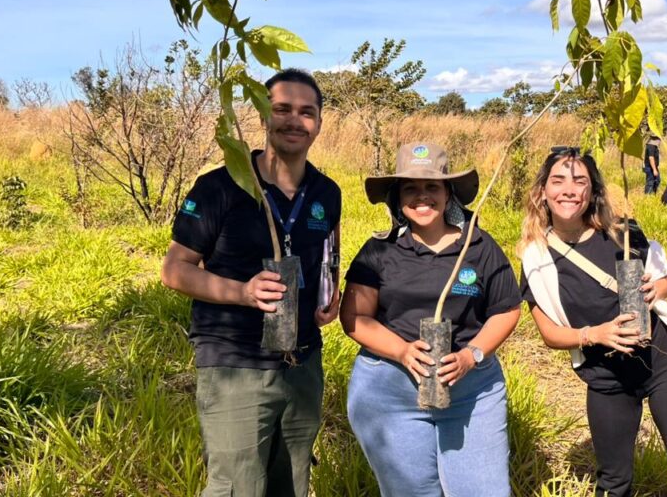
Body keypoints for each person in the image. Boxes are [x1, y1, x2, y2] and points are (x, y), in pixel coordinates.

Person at [161, 68, 341, 497]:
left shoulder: (326, 192)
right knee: (237, 485)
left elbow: (329, 255)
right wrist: (242, 292)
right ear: (262, 114)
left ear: (318, 122)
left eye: (306, 111)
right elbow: (175, 270)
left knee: (293, 481)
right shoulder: (220, 186)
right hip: (235, 362)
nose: (294, 120)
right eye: (282, 109)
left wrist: (327, 297)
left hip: (302, 363)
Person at [518, 147, 667, 497]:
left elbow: (666, 278)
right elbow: (549, 333)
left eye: (579, 181)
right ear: (542, 191)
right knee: (613, 482)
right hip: (606, 377)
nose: (569, 190)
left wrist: (655, 289)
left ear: (592, 190)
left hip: (662, 362)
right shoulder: (535, 256)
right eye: (558, 181)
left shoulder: (623, 232)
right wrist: (595, 334)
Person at [340, 142, 521, 497]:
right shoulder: (379, 249)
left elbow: (506, 309)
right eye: (410, 188)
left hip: (471, 393)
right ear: (397, 198)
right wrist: (403, 351)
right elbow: (355, 318)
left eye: (432, 187)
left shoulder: (479, 246)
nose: (422, 197)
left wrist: (471, 356)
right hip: (390, 390)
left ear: (449, 193)